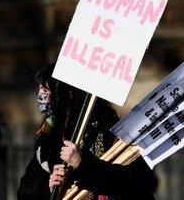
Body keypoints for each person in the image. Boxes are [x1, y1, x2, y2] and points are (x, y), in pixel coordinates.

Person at [17, 63, 158, 200]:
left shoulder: (112, 132)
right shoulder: (49, 140)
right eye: (40, 90)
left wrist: (82, 165)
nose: (42, 98)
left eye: (47, 91)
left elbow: (143, 182)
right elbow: (25, 191)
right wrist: (49, 188)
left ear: (70, 95)